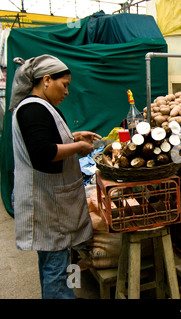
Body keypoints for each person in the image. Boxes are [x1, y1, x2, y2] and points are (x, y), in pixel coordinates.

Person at [9, 54, 101, 299]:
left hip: (52, 202)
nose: (67, 92)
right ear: (47, 79)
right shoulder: (32, 109)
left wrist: (74, 137)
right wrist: (78, 148)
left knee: (54, 264)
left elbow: (49, 140)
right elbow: (43, 152)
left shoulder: (43, 108)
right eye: (65, 85)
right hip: (46, 203)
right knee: (56, 271)